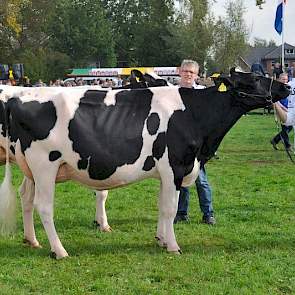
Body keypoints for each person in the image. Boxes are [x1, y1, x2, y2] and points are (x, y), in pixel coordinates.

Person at [174, 59, 216, 225]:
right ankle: (182, 212)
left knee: (201, 180)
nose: (188, 74)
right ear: (180, 72)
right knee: (181, 179)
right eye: (185, 71)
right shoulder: (173, 92)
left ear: (197, 75)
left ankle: (208, 213)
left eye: (192, 72)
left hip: (196, 144)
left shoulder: (202, 93)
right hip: (177, 143)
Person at [270, 73, 293, 151]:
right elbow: (276, 101)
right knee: (285, 128)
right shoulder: (277, 89)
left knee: (289, 127)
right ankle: (288, 146)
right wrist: (282, 108)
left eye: (286, 79)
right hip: (281, 110)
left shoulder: (289, 87)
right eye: (283, 79)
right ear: (279, 79)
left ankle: (275, 140)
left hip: (289, 110)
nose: (285, 81)